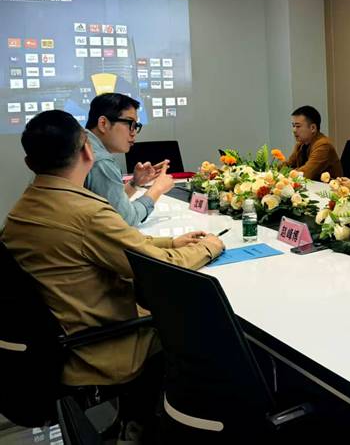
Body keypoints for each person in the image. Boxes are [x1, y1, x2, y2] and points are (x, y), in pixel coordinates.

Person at [1, 110, 224, 432]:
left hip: (58, 338)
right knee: (195, 329)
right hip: (98, 347)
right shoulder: (87, 212)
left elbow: (108, 243)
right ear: (87, 151)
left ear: (29, 163)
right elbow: (160, 270)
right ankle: (155, 426)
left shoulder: (23, 207)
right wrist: (209, 246)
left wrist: (171, 241)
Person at [84, 93, 173, 226]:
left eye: (136, 126)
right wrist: (157, 189)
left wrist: (135, 183)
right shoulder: (100, 161)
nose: (134, 132)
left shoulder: (84, 143)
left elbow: (110, 206)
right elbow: (125, 219)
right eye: (130, 123)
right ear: (103, 123)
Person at [285, 105, 343, 180]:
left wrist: (287, 173)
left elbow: (306, 173)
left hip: (329, 187)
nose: (294, 130)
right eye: (293, 126)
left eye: (298, 126)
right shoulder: (300, 145)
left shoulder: (324, 146)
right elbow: (287, 165)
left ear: (313, 128)